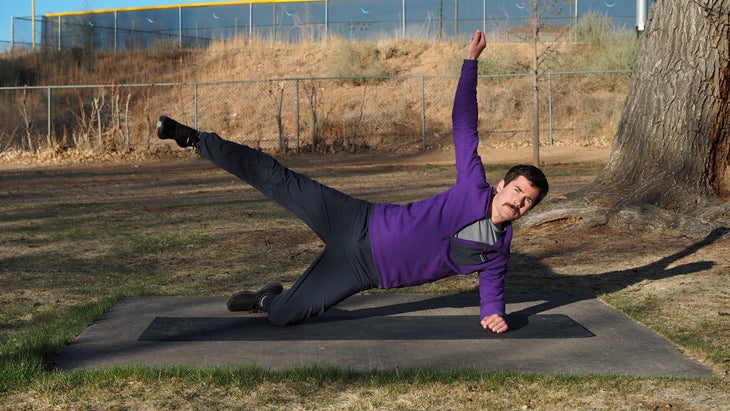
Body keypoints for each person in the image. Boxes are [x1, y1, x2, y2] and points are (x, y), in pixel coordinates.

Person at [156, 30, 548, 333]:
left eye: (528, 201)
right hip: (356, 219)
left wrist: (494, 315)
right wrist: (470, 63)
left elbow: (492, 294)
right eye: (517, 191)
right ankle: (195, 139)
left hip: (362, 270)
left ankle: (267, 299)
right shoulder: (472, 186)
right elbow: (464, 125)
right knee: (277, 178)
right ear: (501, 185)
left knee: (285, 317)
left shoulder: (496, 254)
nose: (519, 202)